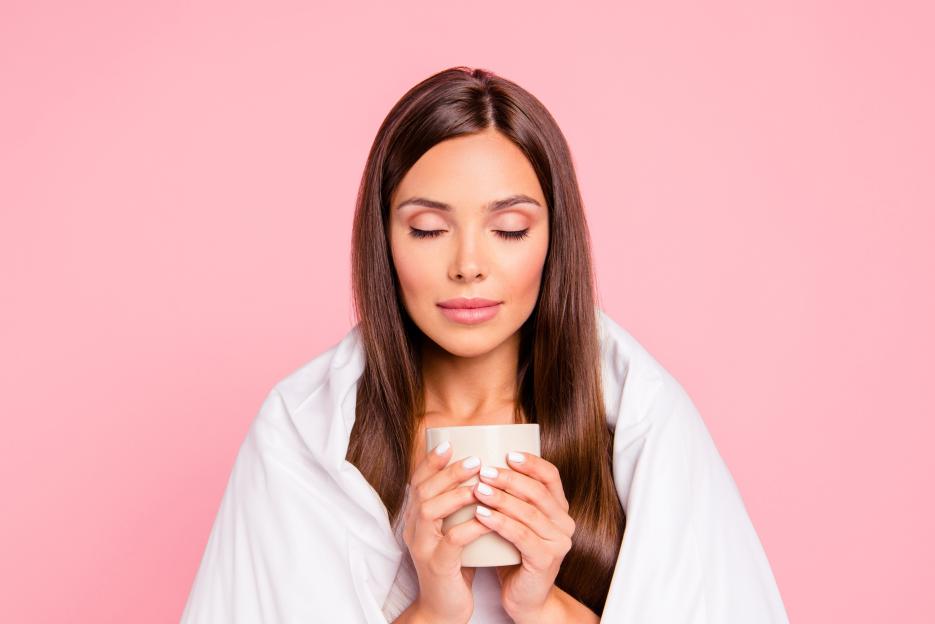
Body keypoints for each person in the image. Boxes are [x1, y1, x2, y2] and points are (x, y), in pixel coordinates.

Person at [180, 66, 789, 623]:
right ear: (383, 239)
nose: (468, 264)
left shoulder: (642, 420)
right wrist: (435, 608)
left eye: (509, 229)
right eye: (428, 229)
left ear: (554, 238)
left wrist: (540, 605)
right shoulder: (303, 433)